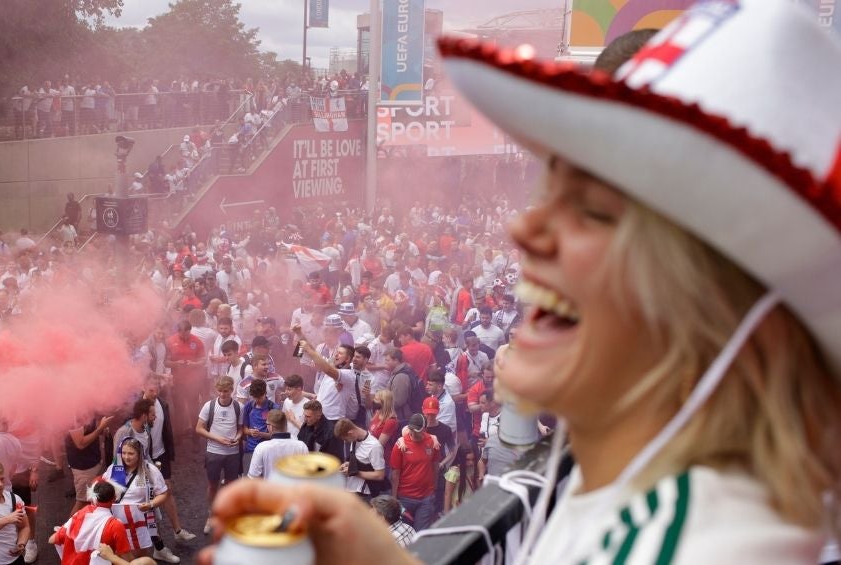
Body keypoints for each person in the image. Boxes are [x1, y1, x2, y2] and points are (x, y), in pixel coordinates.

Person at [200, 4, 841, 564]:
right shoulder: (653, 500)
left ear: (725, 303)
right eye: (549, 188)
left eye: (594, 210)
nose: (528, 231)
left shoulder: (693, 545)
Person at [102, 439, 178, 564]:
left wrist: (151, 504)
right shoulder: (113, 469)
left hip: (139, 521)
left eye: (131, 453)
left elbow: (163, 494)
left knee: (139, 556)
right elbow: (103, 488)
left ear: (139, 454)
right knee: (120, 556)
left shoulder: (150, 470)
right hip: (117, 522)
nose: (126, 457)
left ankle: (160, 551)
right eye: (124, 453)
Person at [196, 376, 243, 535]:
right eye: (220, 391)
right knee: (212, 485)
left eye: (226, 391)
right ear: (217, 390)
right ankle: (211, 515)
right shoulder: (209, 406)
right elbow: (199, 428)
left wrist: (237, 438)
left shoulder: (238, 406)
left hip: (232, 453)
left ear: (232, 390)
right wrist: (218, 439)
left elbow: (240, 429)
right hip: (214, 452)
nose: (223, 394)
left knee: (230, 485)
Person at [49, 480, 131, 565]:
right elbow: (129, 560)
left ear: (92, 497)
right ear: (113, 499)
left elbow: (52, 540)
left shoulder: (79, 515)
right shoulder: (116, 525)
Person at [333, 418, 386, 500]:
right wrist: (348, 464)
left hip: (364, 495)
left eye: (345, 439)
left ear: (350, 433)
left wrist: (352, 472)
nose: (346, 442)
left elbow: (379, 475)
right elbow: (359, 460)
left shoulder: (374, 447)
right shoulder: (355, 439)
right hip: (351, 490)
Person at [246, 409, 308, 480]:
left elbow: (253, 477)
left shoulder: (261, 447)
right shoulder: (301, 446)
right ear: (286, 425)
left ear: (271, 427)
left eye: (267, 424)